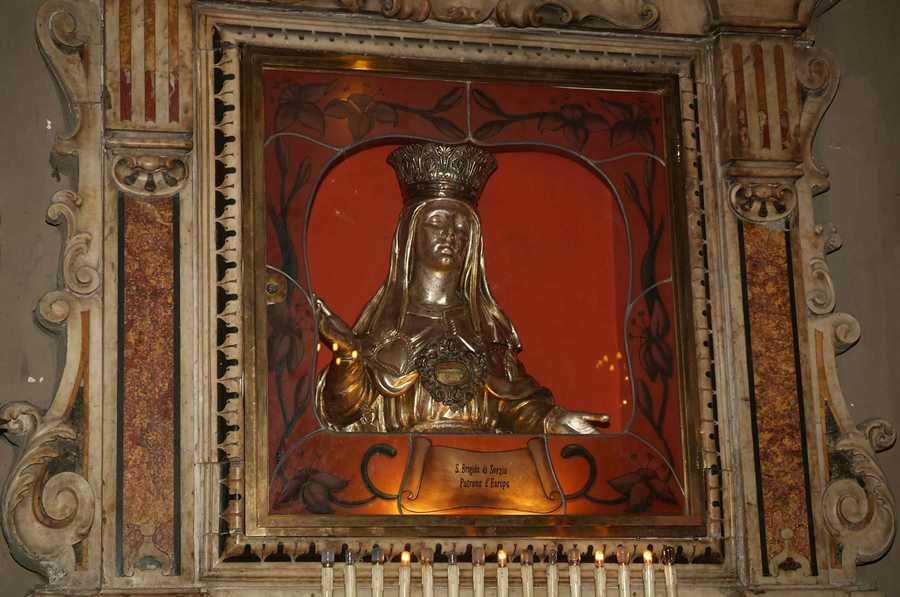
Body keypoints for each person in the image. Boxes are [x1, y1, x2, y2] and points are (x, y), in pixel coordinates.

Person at [315, 142, 609, 434]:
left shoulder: (488, 328)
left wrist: (551, 420)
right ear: (410, 234)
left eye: (461, 227)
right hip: (400, 460)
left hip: (485, 462)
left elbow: (514, 406)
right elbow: (344, 411)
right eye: (437, 222)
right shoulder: (385, 328)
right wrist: (349, 355)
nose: (450, 234)